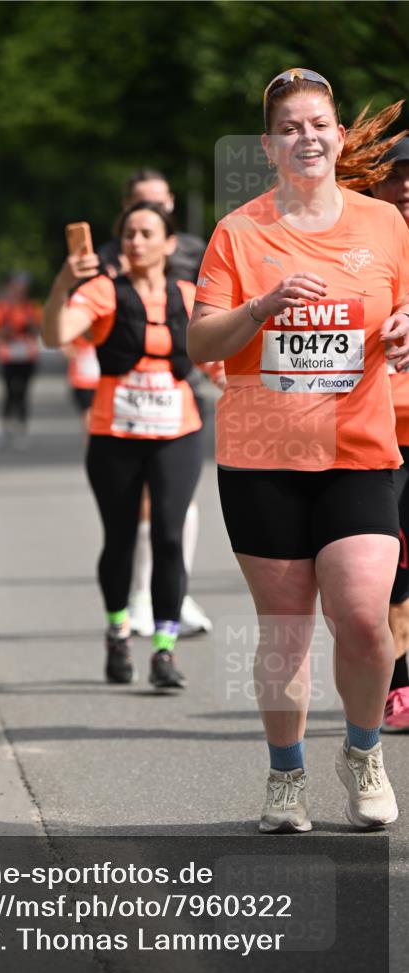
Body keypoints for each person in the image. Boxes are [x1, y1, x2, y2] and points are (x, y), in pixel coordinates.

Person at [187, 68, 409, 832]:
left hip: (358, 451)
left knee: (363, 617)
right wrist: (259, 306)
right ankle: (285, 777)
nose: (305, 137)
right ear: (267, 146)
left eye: (317, 124)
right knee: (284, 632)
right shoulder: (238, 233)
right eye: (288, 128)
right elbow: (200, 341)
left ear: (338, 136)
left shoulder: (384, 224)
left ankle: (362, 752)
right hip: (262, 459)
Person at [43, 201, 211, 690]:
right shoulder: (102, 291)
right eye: (129, 234)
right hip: (114, 435)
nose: (136, 242)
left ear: (169, 243)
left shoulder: (189, 295)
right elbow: (55, 334)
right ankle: (118, 631)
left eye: (147, 233)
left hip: (177, 432)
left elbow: (217, 359)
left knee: (169, 537)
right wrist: (62, 283)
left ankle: (164, 649)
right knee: (119, 540)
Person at [99, 168, 213, 638]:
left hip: (185, 383)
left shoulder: (194, 250)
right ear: (126, 208)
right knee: (140, 507)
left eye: (162, 203)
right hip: (127, 392)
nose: (153, 211)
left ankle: (175, 594)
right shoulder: (108, 259)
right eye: (142, 204)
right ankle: (139, 595)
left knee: (178, 503)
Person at [371, 137, 409, 732]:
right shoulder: (356, 247)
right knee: (387, 571)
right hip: (376, 431)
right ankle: (396, 686)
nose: (404, 187)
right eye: (393, 176)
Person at [0, 272, 42, 450]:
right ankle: (6, 428)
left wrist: (30, 327)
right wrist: (7, 331)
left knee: (23, 392)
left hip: (27, 355)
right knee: (8, 392)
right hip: (8, 355)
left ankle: (21, 428)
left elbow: (39, 328)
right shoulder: (3, 307)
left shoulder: (32, 307)